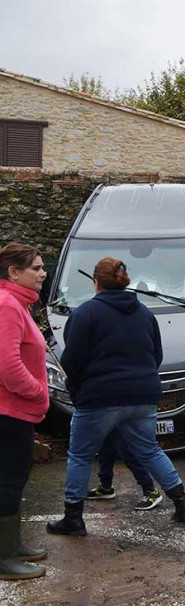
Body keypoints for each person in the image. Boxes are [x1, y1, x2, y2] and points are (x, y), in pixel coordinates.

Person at [46, 258, 185, 536]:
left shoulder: (85, 313)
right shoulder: (144, 313)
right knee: (149, 449)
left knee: (79, 455)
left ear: (96, 282)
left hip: (99, 397)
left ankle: (73, 518)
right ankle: (182, 502)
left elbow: (72, 361)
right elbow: (156, 355)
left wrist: (76, 387)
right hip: (143, 395)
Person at [0, 243, 49, 580]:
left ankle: (12, 546)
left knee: (13, 481)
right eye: (36, 268)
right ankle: (5, 559)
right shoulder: (7, 306)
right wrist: (37, 390)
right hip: (9, 412)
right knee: (8, 482)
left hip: (16, 412)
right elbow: (7, 364)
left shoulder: (16, 304)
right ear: (13, 272)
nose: (43, 273)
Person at [85, 432, 164, 511]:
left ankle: (151, 491)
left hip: (119, 424)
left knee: (127, 454)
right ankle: (106, 488)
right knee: (105, 450)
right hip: (107, 424)